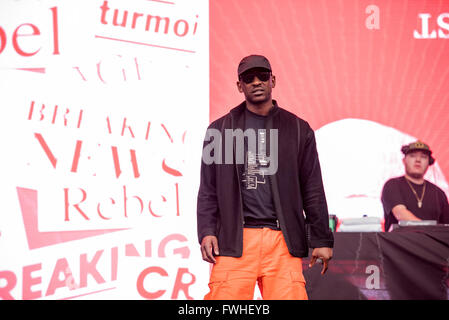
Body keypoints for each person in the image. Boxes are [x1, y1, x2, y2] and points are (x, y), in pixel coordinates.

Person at [196, 54, 334, 300]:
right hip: (234, 239)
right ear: (240, 86)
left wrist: (322, 238)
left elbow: (312, 187)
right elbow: (208, 189)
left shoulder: (298, 129)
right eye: (249, 78)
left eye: (263, 76)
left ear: (273, 80)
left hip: (282, 241)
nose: (256, 82)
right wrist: (207, 231)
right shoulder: (218, 130)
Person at [381, 141, 449, 232]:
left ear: (429, 163)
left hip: (431, 245)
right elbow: (400, 214)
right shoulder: (392, 185)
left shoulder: (439, 193)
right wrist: (430, 231)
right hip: (398, 244)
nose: (418, 160)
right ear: (404, 161)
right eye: (412, 155)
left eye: (423, 157)